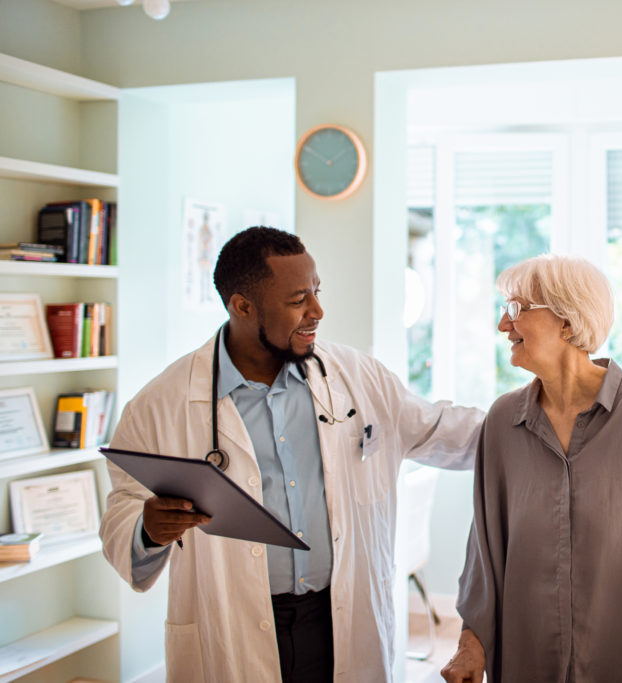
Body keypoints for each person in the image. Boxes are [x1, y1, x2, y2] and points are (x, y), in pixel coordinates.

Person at [99, 227, 483, 683]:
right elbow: (121, 513)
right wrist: (147, 527)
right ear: (242, 306)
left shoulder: (355, 376)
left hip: (339, 617)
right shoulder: (160, 404)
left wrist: (546, 413)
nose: (317, 311)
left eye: (317, 292)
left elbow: (444, 428)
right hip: (231, 626)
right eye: (298, 299)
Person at [440, 255, 622, 683]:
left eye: (517, 309)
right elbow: (485, 554)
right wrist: (471, 645)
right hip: (531, 660)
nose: (503, 325)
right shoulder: (503, 423)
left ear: (567, 321)